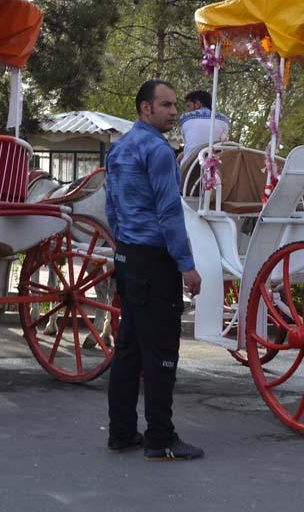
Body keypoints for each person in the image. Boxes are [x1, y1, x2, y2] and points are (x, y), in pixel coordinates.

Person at [105, 79, 204, 461]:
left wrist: (124, 246)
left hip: (128, 256)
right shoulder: (159, 152)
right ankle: (161, 437)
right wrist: (187, 265)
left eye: (175, 105)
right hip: (154, 260)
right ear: (145, 108)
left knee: (129, 348)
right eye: (165, 105)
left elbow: (112, 206)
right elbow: (168, 212)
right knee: (161, 349)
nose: (174, 112)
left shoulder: (120, 148)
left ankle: (121, 432)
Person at [177, 89, 230, 168]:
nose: (187, 110)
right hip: (218, 164)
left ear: (198, 104)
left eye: (188, 106)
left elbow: (190, 144)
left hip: (192, 165)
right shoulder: (225, 119)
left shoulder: (185, 118)